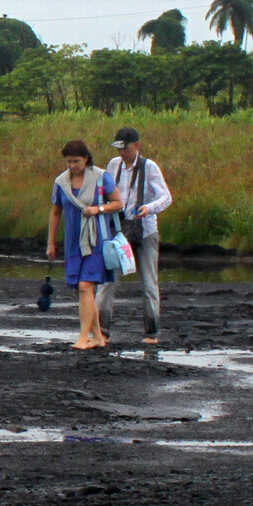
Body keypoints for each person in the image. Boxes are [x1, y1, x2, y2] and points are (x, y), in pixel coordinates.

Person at [97, 125, 173, 345]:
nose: (122, 153)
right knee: (107, 279)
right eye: (119, 148)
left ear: (136, 145)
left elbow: (166, 197)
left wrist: (149, 208)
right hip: (119, 230)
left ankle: (152, 332)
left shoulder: (150, 167)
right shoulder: (113, 165)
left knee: (148, 282)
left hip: (145, 230)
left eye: (126, 148)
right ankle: (102, 330)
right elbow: (105, 192)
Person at [47, 139, 121, 350]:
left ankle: (82, 337)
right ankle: (97, 336)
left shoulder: (101, 177)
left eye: (76, 161)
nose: (72, 166)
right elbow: (55, 212)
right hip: (72, 243)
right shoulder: (61, 182)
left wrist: (98, 209)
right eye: (69, 161)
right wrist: (51, 242)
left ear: (86, 158)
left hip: (97, 241)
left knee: (85, 287)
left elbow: (118, 203)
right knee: (81, 290)